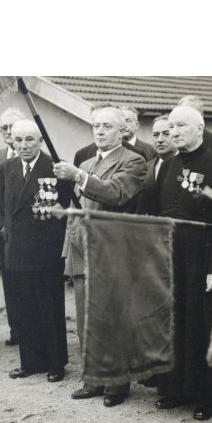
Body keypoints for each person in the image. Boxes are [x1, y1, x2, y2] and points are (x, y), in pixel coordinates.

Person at [143, 105, 212, 420]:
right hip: (171, 257)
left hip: (203, 257)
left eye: (181, 126)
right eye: (171, 127)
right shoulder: (167, 165)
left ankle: (205, 395)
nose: (174, 132)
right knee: (173, 323)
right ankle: (174, 389)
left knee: (200, 326)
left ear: (199, 129)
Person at [54, 106, 147, 406]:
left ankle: (116, 384)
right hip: (82, 249)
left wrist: (78, 176)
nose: (100, 131)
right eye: (96, 125)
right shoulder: (88, 161)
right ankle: (92, 378)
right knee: (85, 320)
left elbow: (116, 194)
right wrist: (69, 248)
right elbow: (76, 213)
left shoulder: (133, 161)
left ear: (122, 131)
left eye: (107, 126)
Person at [0, 120, 70, 382]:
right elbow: (2, 202)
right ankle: (31, 362)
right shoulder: (7, 167)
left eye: (29, 139)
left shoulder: (53, 167)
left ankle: (55, 363)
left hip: (45, 252)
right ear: (12, 142)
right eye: (18, 140)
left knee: (49, 309)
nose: (24, 145)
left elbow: (60, 212)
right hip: (17, 250)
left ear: (39, 140)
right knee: (24, 309)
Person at [0, 107, 26, 346]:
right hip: (5, 234)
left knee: (29, 282)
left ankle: (33, 330)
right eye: (5, 128)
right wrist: (1, 225)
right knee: (10, 281)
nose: (9, 131)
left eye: (14, 126)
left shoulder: (31, 154)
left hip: (29, 235)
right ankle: (16, 331)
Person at [178, 95, 212, 159]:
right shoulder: (172, 140)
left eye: (191, 113)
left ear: (201, 116)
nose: (186, 117)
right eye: (182, 113)